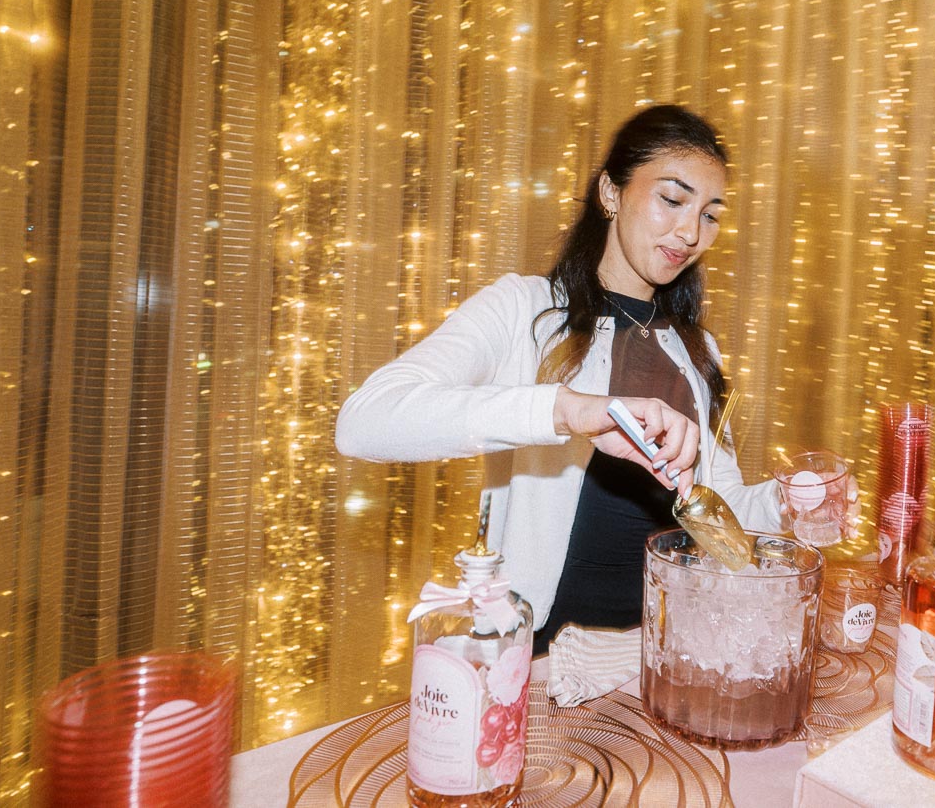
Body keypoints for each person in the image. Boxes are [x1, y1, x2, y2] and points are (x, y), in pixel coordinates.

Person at [335, 104, 783, 651]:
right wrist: (567, 409)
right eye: (672, 199)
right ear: (610, 193)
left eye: (710, 214)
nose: (689, 232)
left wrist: (789, 504)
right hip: (543, 662)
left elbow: (717, 505)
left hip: (667, 653)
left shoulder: (697, 349)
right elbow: (365, 422)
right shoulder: (523, 309)